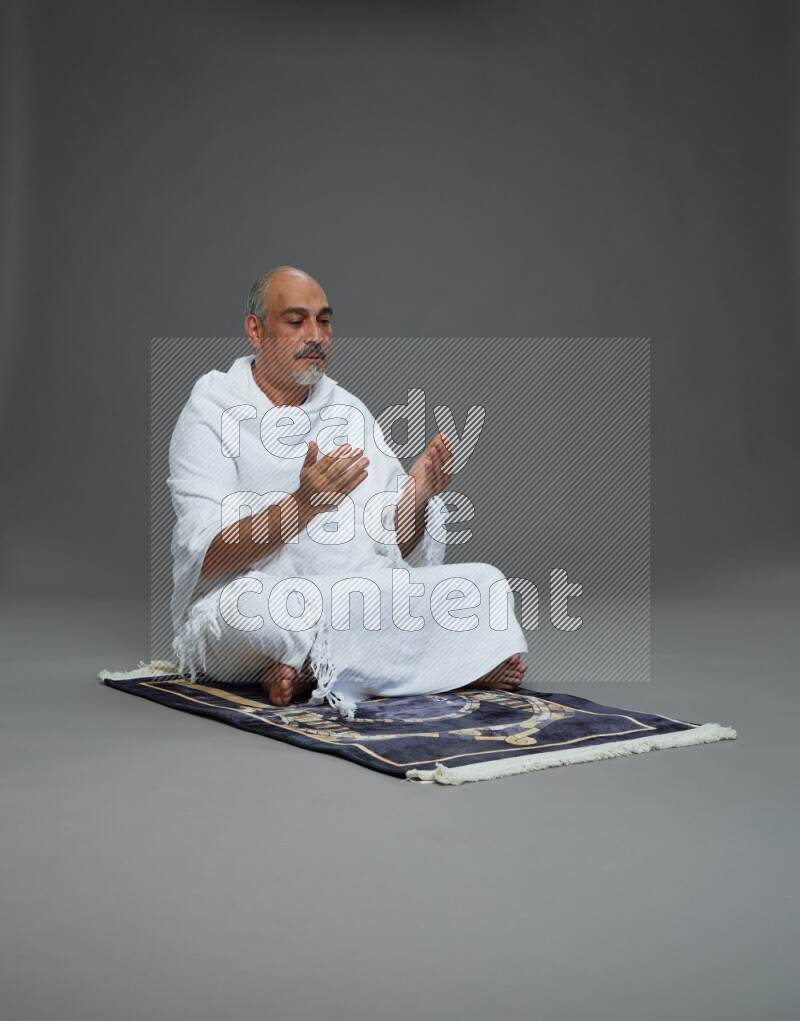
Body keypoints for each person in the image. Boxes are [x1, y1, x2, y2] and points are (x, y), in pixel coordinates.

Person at [167, 266, 528, 719]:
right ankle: (441, 667)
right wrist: (301, 506)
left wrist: (416, 496)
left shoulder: (347, 410)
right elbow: (209, 557)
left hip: (352, 596)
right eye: (296, 322)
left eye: (325, 321)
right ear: (255, 331)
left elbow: (394, 546)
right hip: (254, 599)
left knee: (484, 584)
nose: (315, 335)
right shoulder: (211, 408)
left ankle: (312, 668)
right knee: (262, 611)